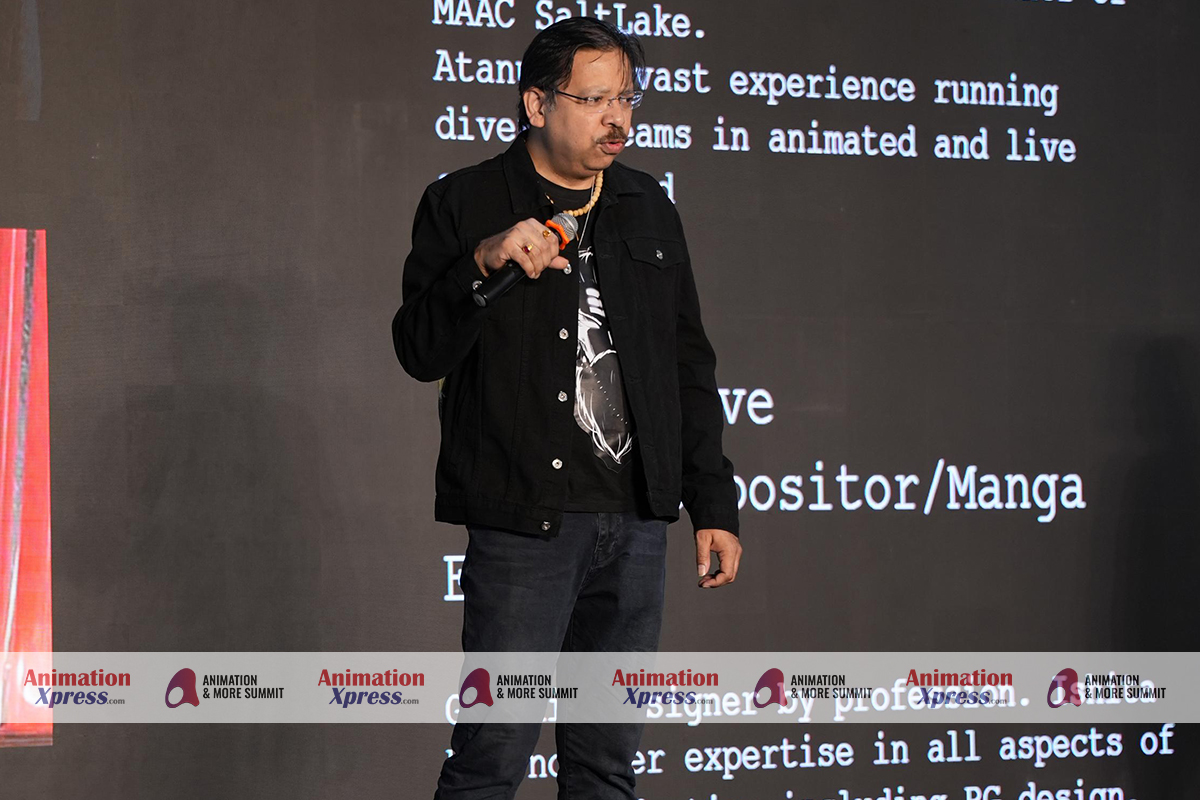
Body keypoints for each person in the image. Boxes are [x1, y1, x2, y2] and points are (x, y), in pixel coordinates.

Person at [392, 17, 742, 800]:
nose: (617, 119)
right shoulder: (464, 201)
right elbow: (418, 351)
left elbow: (685, 364)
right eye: (594, 99)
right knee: (491, 758)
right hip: (526, 523)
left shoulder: (648, 206)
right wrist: (482, 264)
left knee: (606, 766)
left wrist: (712, 502)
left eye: (627, 99)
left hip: (636, 525)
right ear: (537, 104)